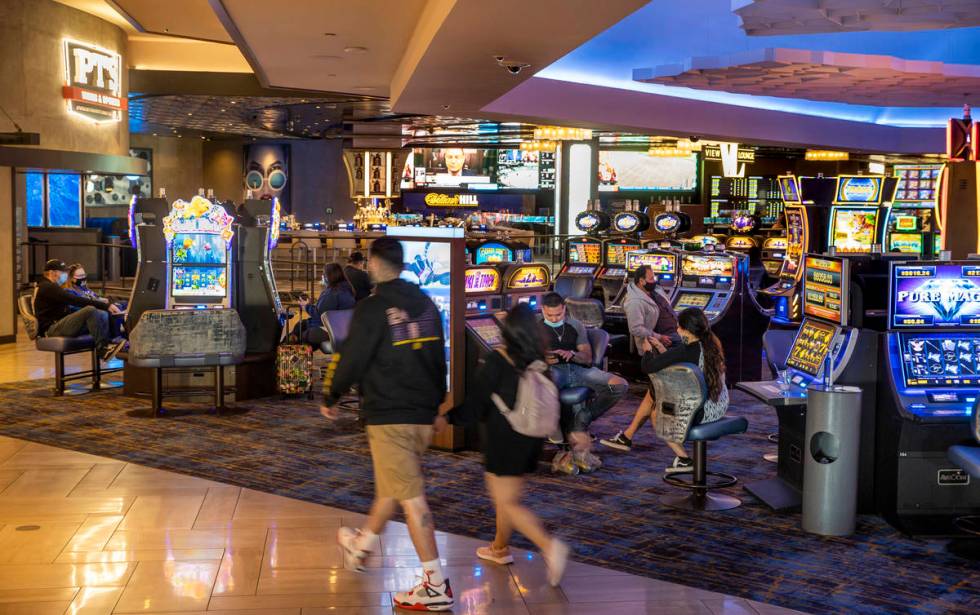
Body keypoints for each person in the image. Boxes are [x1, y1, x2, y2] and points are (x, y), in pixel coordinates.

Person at [321, 237, 454, 612]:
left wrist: (331, 396)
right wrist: (437, 408)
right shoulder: (427, 306)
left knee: (411, 497)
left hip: (388, 413)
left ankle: (435, 584)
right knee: (392, 487)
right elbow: (436, 359)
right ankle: (361, 546)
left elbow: (352, 358)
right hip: (420, 415)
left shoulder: (374, 307)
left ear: (376, 264)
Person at [452, 304, 570, 586]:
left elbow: (477, 404)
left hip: (503, 437)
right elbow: (555, 399)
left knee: (506, 502)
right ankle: (499, 548)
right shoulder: (538, 359)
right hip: (530, 439)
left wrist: (447, 418)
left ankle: (549, 546)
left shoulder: (498, 359)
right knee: (506, 499)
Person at [616, 307, 729, 472]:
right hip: (719, 404)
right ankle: (627, 436)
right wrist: (663, 351)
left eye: (679, 327)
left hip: (702, 411)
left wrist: (647, 350)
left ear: (687, 331)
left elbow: (648, 367)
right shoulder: (712, 344)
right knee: (656, 391)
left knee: (656, 410)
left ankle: (684, 458)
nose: (677, 330)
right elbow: (682, 363)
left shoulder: (686, 349)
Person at [539, 292, 628, 470]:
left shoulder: (575, 325)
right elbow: (528, 359)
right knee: (545, 385)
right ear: (543, 311)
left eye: (558, 314)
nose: (555, 318)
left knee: (620, 385)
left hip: (578, 369)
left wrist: (572, 354)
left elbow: (587, 357)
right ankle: (554, 430)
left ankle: (584, 417)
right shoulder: (535, 327)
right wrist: (544, 358)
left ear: (564, 309)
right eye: (550, 315)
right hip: (554, 371)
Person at [600, 265, 681, 452]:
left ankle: (627, 436)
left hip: (673, 340)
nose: (655, 280)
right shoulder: (634, 300)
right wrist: (659, 338)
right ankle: (678, 446)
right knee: (655, 391)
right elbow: (636, 329)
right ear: (641, 281)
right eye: (651, 278)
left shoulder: (656, 290)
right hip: (658, 345)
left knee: (653, 393)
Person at [33, 259, 125, 361]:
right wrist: (105, 305)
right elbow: (75, 300)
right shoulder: (47, 287)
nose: (65, 274)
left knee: (101, 314)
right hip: (51, 329)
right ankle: (102, 349)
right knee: (89, 310)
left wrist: (104, 308)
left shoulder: (52, 286)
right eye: (63, 272)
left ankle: (115, 341)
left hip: (61, 324)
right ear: (51, 273)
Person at [296, 263, 355, 348]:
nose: (322, 277)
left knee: (304, 334)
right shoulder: (347, 288)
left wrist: (306, 306)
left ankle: (295, 358)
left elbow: (320, 315)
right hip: (344, 327)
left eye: (324, 274)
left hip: (332, 329)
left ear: (328, 277)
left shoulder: (332, 292)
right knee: (301, 326)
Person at [64, 263, 127, 339]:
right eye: (80, 276)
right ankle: (116, 337)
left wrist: (102, 300)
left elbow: (96, 297)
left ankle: (127, 334)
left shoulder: (85, 288)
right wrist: (99, 303)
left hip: (98, 306)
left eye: (84, 275)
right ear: (71, 278)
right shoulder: (69, 291)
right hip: (88, 313)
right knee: (114, 308)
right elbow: (76, 307)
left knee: (124, 303)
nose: (83, 278)